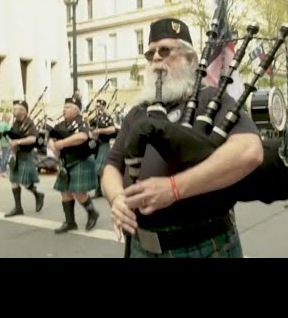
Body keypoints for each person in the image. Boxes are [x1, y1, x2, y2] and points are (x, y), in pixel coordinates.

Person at [101, 17, 263, 258]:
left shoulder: (212, 100)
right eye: (150, 53)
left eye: (165, 50)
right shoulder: (137, 112)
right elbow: (112, 167)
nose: (156, 58)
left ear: (190, 59)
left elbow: (250, 151)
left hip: (203, 246)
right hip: (140, 247)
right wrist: (117, 199)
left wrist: (174, 189)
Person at [48, 96, 100, 233]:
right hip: (66, 162)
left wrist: (62, 143)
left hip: (80, 160)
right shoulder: (61, 124)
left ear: (76, 110)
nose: (64, 109)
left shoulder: (81, 122)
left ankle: (92, 212)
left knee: (78, 192)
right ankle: (70, 222)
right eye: (64, 107)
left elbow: (82, 137)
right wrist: (52, 144)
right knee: (65, 191)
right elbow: (52, 137)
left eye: (68, 107)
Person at [4, 100, 44, 216]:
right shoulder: (16, 122)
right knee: (14, 181)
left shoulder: (29, 122)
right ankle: (18, 208)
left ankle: (38, 194)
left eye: (15, 109)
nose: (13, 110)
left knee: (24, 181)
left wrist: (18, 141)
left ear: (22, 111)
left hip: (26, 154)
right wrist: (11, 143)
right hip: (17, 154)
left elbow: (33, 139)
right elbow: (12, 135)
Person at [88, 99, 116, 198]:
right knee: (96, 169)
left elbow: (113, 129)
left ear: (104, 106)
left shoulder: (107, 117)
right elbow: (89, 129)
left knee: (99, 168)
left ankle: (108, 189)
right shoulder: (94, 118)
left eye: (99, 106)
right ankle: (98, 190)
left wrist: (100, 130)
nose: (97, 108)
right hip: (95, 146)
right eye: (96, 106)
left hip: (104, 144)